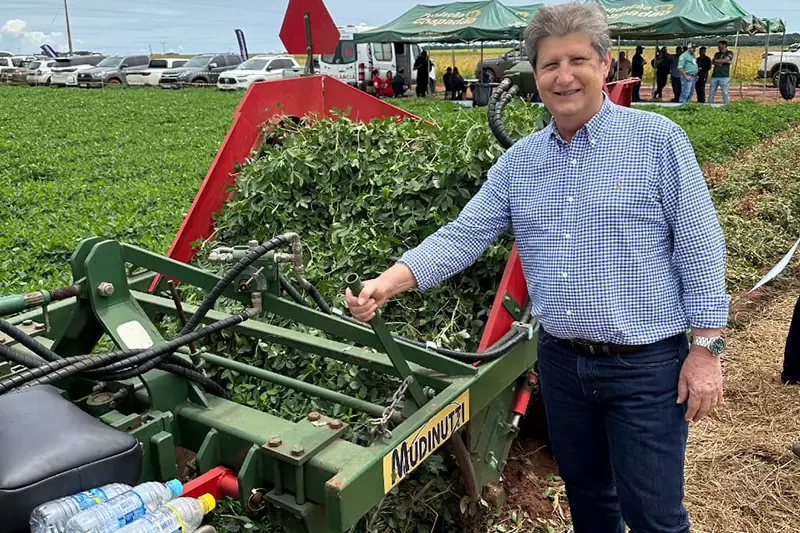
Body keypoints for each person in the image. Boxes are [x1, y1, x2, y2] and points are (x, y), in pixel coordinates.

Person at [344, 4, 728, 533]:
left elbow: (700, 245)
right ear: (534, 74)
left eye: (577, 60)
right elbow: (463, 236)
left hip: (645, 368)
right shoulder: (519, 161)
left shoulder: (657, 143)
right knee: (590, 499)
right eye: (550, 64)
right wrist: (386, 284)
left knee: (655, 514)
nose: (564, 76)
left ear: (605, 63)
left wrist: (706, 350)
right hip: (562, 366)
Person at [710, 40, 734, 104]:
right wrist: (723, 62)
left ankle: (726, 104)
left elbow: (726, 59)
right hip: (714, 76)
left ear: (724, 45)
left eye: (719, 45)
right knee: (711, 92)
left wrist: (720, 61)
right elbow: (713, 61)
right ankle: (710, 104)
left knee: (725, 93)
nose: (718, 47)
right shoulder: (717, 54)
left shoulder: (729, 52)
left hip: (724, 76)